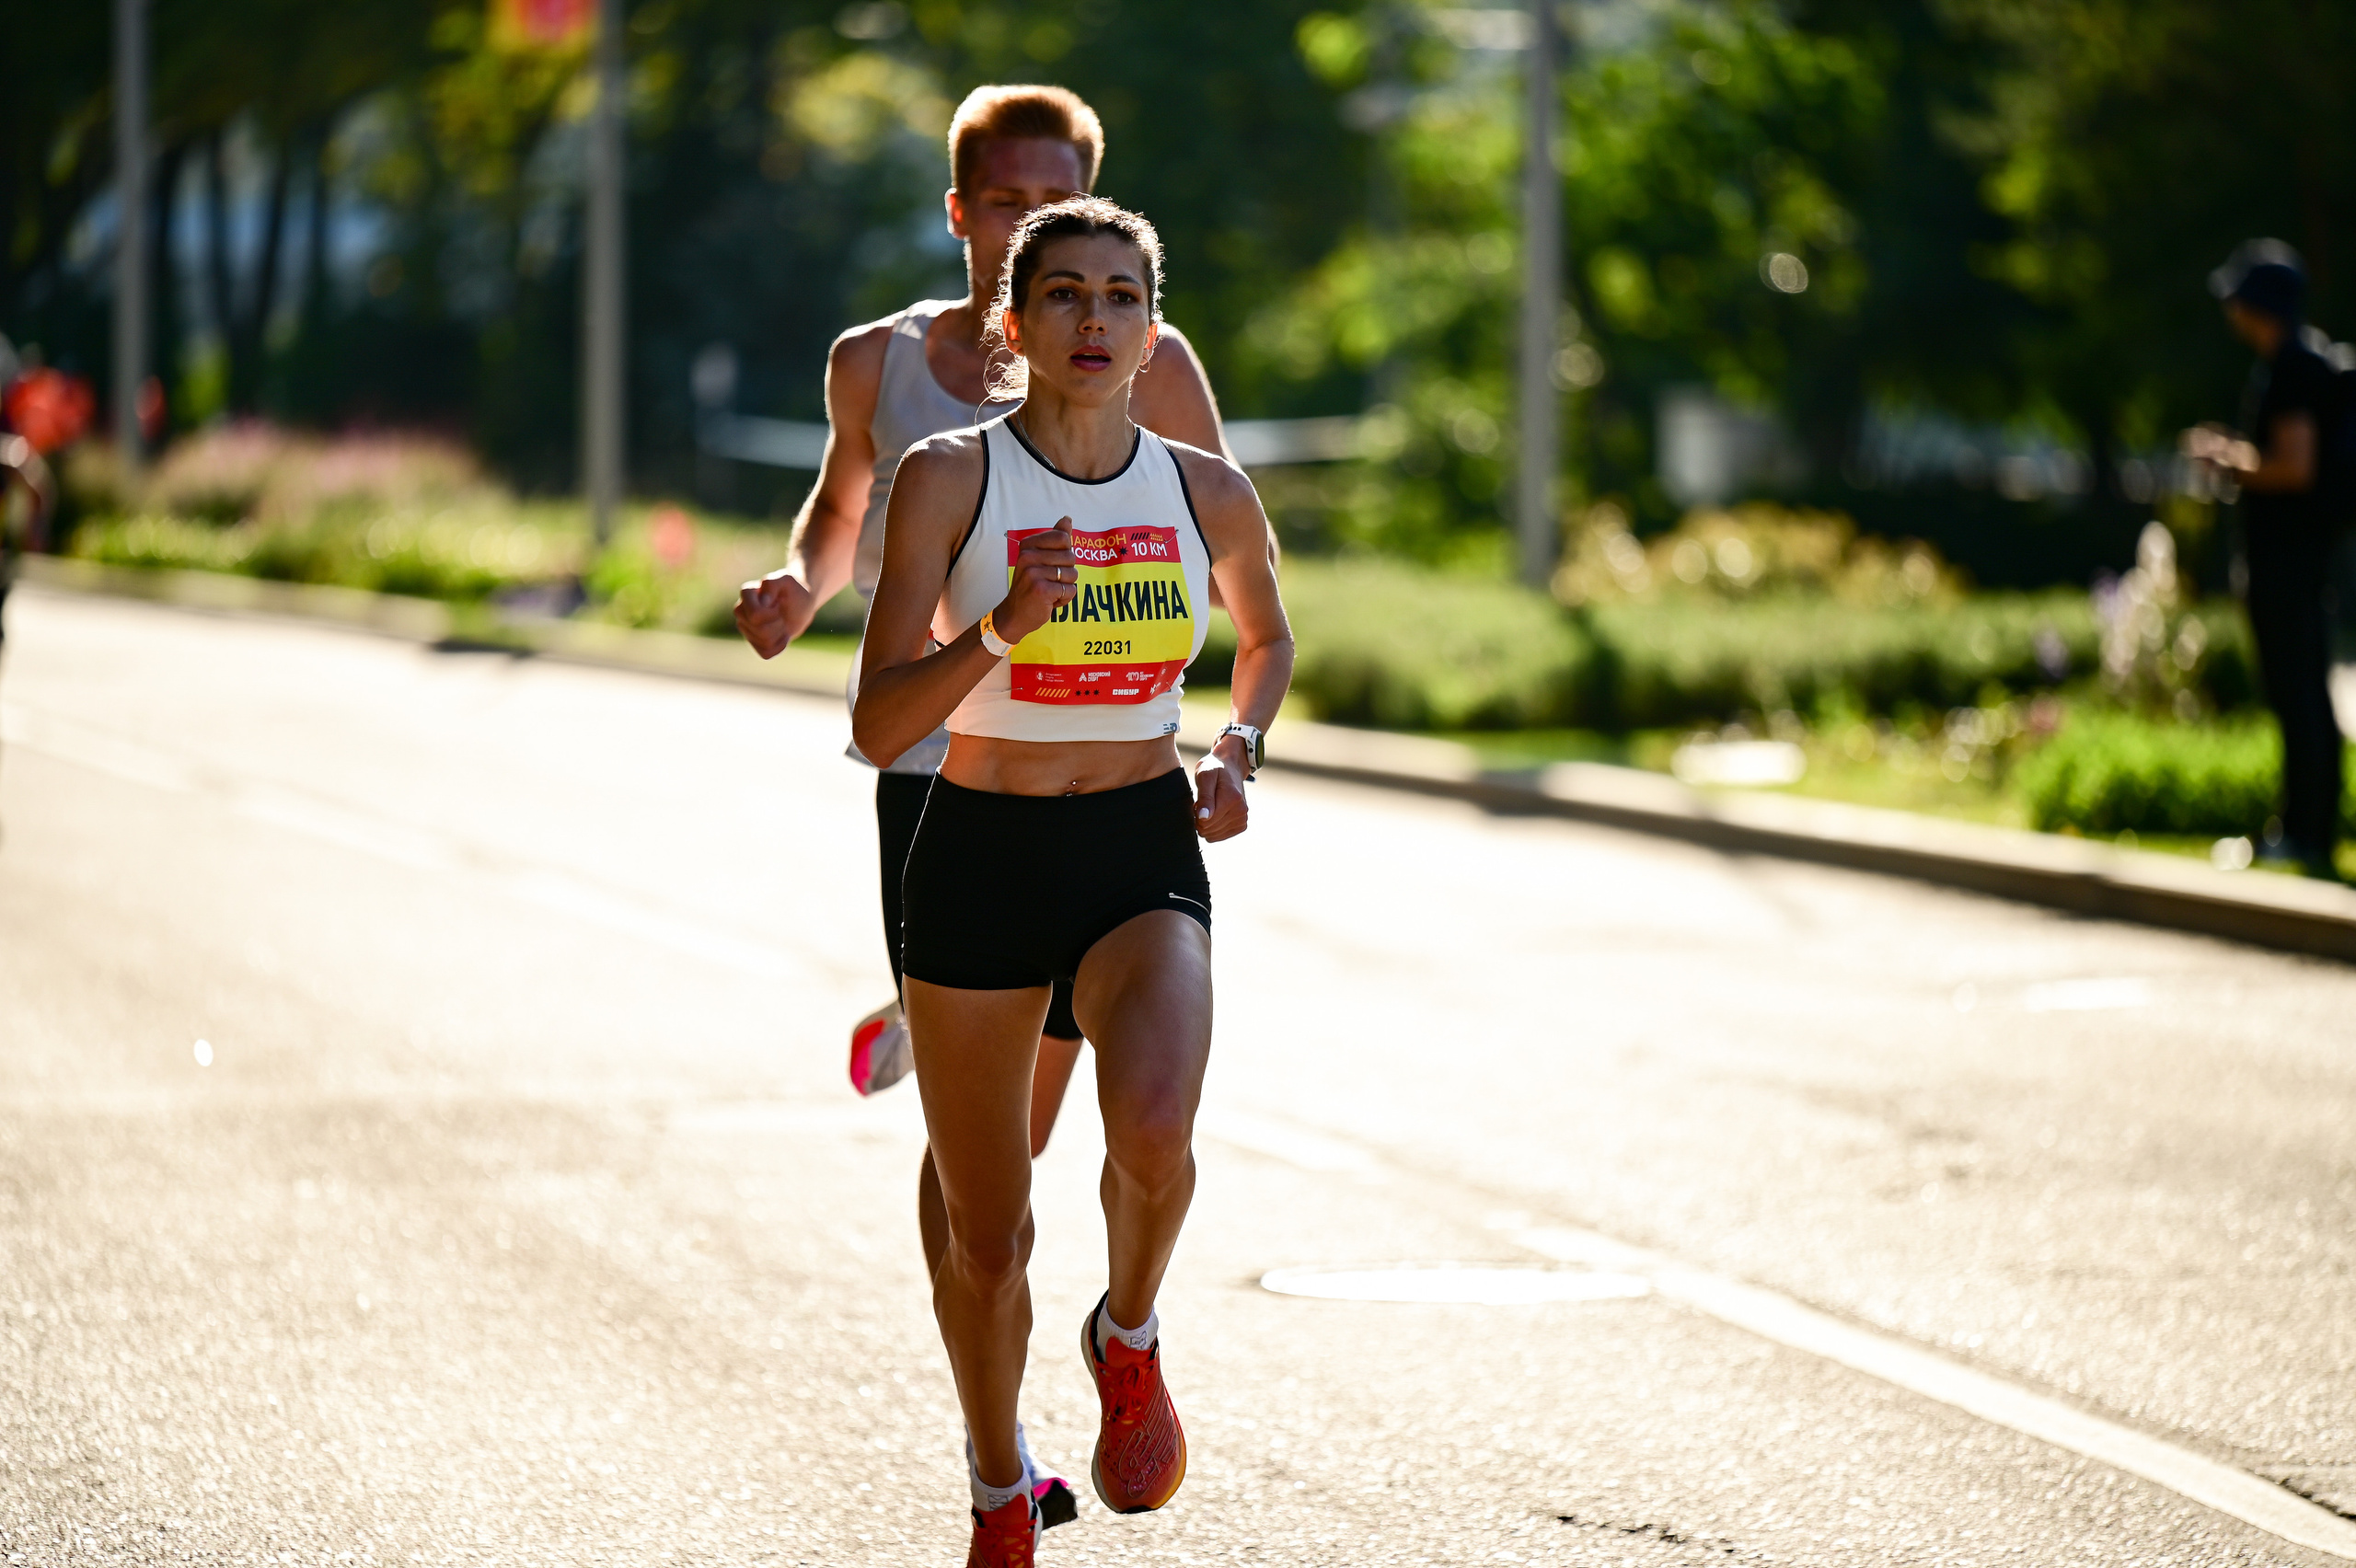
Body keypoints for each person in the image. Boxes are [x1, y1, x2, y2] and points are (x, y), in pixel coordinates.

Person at [853, 197, 1290, 1566]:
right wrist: (999, 627)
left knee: (1153, 1121)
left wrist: (1238, 749)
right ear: (1015, 324)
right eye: (1063, 297)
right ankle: (998, 1488)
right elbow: (877, 723)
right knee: (988, 1239)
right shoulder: (948, 476)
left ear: (1152, 330)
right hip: (979, 855)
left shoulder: (1205, 490)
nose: (1093, 322)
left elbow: (1267, 635)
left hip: (1137, 846)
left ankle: (1132, 1333)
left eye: (1119, 298)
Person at [732, 85, 1231, 1129]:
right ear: (958, 211)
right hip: (932, 762)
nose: (1027, 222)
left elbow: (1221, 530)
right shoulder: (876, 361)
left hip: (1092, 761)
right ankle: (934, 1014)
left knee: (1045, 1100)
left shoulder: (1150, 355)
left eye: (1060, 197)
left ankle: (940, 1014)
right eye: (1006, 200)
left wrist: (1235, 716)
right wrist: (798, 585)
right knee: (982, 1121)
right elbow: (838, 507)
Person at [2184, 239, 2350, 878]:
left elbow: (2294, 466)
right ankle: (2303, 828)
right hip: (2299, 558)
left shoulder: (2292, 370)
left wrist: (2230, 461)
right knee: (2300, 692)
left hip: (2289, 561)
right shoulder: (2296, 364)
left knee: (2298, 694)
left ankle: (2305, 832)